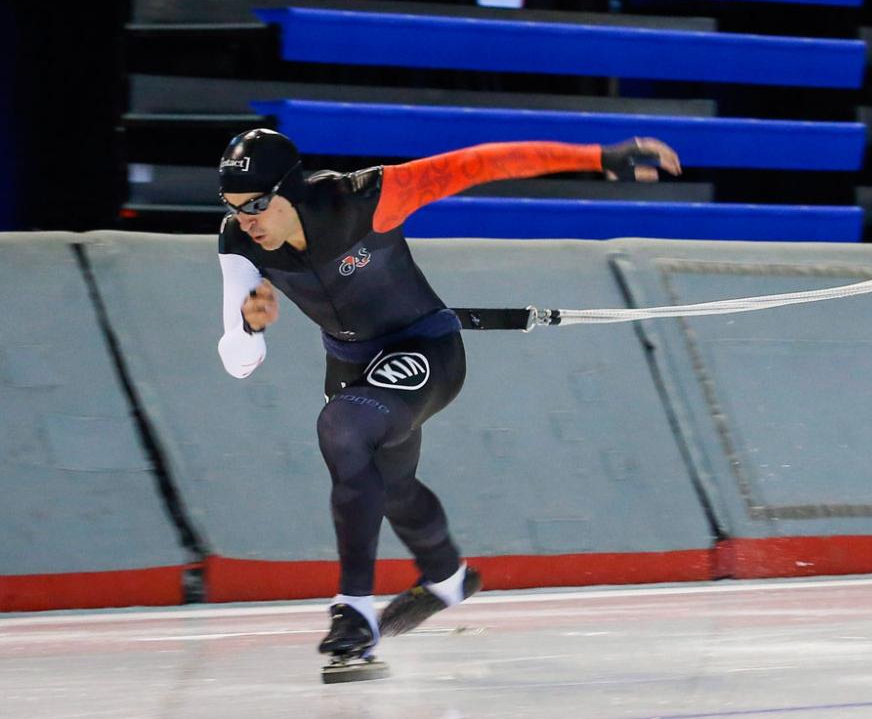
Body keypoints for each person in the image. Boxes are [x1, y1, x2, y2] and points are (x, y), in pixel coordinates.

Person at [216, 129, 682, 666]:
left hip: (424, 349)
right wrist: (249, 330)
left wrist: (598, 157)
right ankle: (448, 576)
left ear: (290, 189)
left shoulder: (365, 197)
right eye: (231, 207)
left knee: (342, 429)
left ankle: (354, 610)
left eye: (255, 204)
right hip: (352, 365)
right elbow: (237, 361)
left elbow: (481, 163)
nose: (245, 219)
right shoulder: (239, 240)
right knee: (390, 484)